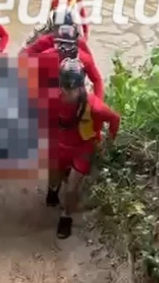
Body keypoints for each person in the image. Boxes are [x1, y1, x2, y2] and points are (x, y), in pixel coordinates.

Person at [45, 58, 119, 239]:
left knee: (71, 188)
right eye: (64, 87)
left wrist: (109, 141)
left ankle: (66, 217)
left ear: (80, 87)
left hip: (82, 148)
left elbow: (114, 119)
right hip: (58, 145)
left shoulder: (94, 106)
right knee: (53, 176)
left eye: (72, 89)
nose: (67, 92)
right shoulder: (50, 98)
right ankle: (53, 189)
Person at [35, 24, 104, 101]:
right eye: (63, 45)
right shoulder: (46, 57)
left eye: (70, 44)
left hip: (77, 92)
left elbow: (97, 80)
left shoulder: (84, 59)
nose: (67, 48)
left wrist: (98, 101)